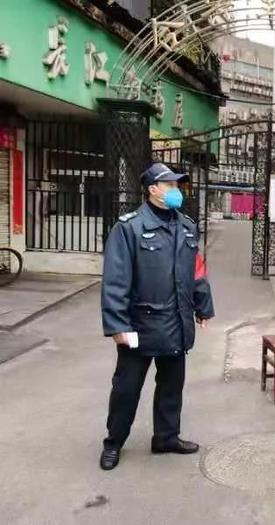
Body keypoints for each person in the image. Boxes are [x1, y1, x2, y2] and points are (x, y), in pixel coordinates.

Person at [99, 162, 215, 471]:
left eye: (178, 185)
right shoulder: (129, 228)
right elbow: (115, 281)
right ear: (153, 189)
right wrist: (117, 325)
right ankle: (114, 442)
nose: (177, 190)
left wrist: (203, 306)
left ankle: (166, 438)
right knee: (126, 389)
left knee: (171, 387)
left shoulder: (186, 226)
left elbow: (196, 271)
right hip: (140, 325)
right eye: (171, 185)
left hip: (176, 322)